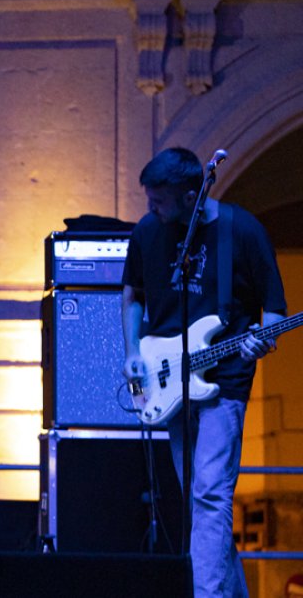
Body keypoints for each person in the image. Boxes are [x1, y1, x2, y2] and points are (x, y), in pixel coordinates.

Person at [122, 147, 285, 597]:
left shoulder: (242, 231)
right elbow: (132, 293)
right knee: (201, 503)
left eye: (159, 201)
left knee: (211, 495)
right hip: (169, 383)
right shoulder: (148, 232)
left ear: (191, 196)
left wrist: (261, 340)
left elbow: (274, 310)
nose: (151, 208)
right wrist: (132, 350)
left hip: (224, 383)